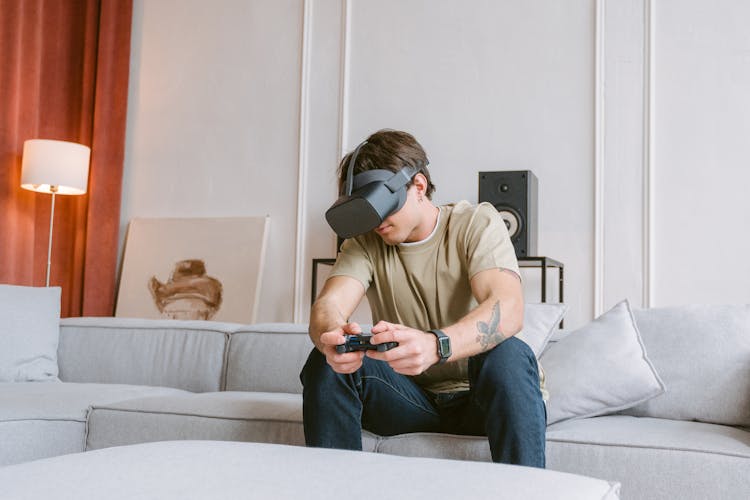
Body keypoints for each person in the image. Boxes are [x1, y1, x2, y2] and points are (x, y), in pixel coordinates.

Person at [300, 129, 547, 467]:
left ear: (418, 186)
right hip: (410, 400)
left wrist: (436, 345)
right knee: (325, 364)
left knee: (508, 353)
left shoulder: (474, 223)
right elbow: (328, 305)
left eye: (384, 206)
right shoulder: (364, 244)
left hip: (482, 398)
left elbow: (509, 308)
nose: (378, 222)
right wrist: (331, 337)